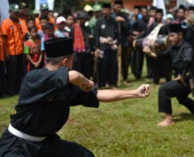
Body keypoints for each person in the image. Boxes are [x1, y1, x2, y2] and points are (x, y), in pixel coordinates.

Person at [0, 37, 151, 157]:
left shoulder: (65, 85)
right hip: (17, 145)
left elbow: (98, 94)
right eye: (72, 60)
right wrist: (88, 82)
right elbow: (74, 75)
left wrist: (134, 93)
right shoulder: (35, 78)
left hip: (46, 144)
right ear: (66, 62)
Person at [143, 24, 194, 126]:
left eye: (173, 35)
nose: (170, 38)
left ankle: (169, 119)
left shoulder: (187, 47)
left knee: (164, 89)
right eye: (169, 36)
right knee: (181, 98)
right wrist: (151, 54)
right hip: (181, 78)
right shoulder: (173, 48)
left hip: (188, 79)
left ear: (180, 35)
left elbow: (187, 61)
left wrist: (182, 74)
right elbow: (164, 55)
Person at [1, 3, 24, 96]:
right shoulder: (6, 23)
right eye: (14, 12)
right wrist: (5, 52)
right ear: (10, 12)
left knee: (19, 72)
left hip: (19, 51)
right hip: (11, 52)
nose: (16, 14)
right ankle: (10, 91)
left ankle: (17, 89)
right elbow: (4, 39)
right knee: (11, 73)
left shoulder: (18, 22)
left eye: (17, 12)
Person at [94, 2, 119, 89]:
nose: (105, 11)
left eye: (106, 9)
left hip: (112, 47)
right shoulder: (99, 21)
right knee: (102, 66)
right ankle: (101, 84)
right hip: (102, 48)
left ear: (110, 10)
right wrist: (96, 47)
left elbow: (117, 34)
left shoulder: (114, 21)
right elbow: (96, 36)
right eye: (103, 9)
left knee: (112, 65)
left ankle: (112, 84)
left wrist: (114, 42)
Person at [111, 0, 131, 86]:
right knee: (114, 62)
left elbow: (129, 29)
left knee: (125, 62)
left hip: (124, 42)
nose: (118, 8)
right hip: (114, 42)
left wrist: (123, 22)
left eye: (120, 6)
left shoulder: (125, 17)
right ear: (114, 7)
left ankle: (125, 78)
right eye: (117, 6)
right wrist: (115, 21)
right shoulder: (111, 16)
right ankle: (114, 79)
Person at [71, 11, 93, 79]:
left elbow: (89, 41)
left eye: (84, 18)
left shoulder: (88, 29)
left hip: (86, 53)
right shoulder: (74, 28)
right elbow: (71, 40)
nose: (83, 20)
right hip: (76, 53)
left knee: (86, 72)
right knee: (77, 71)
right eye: (82, 18)